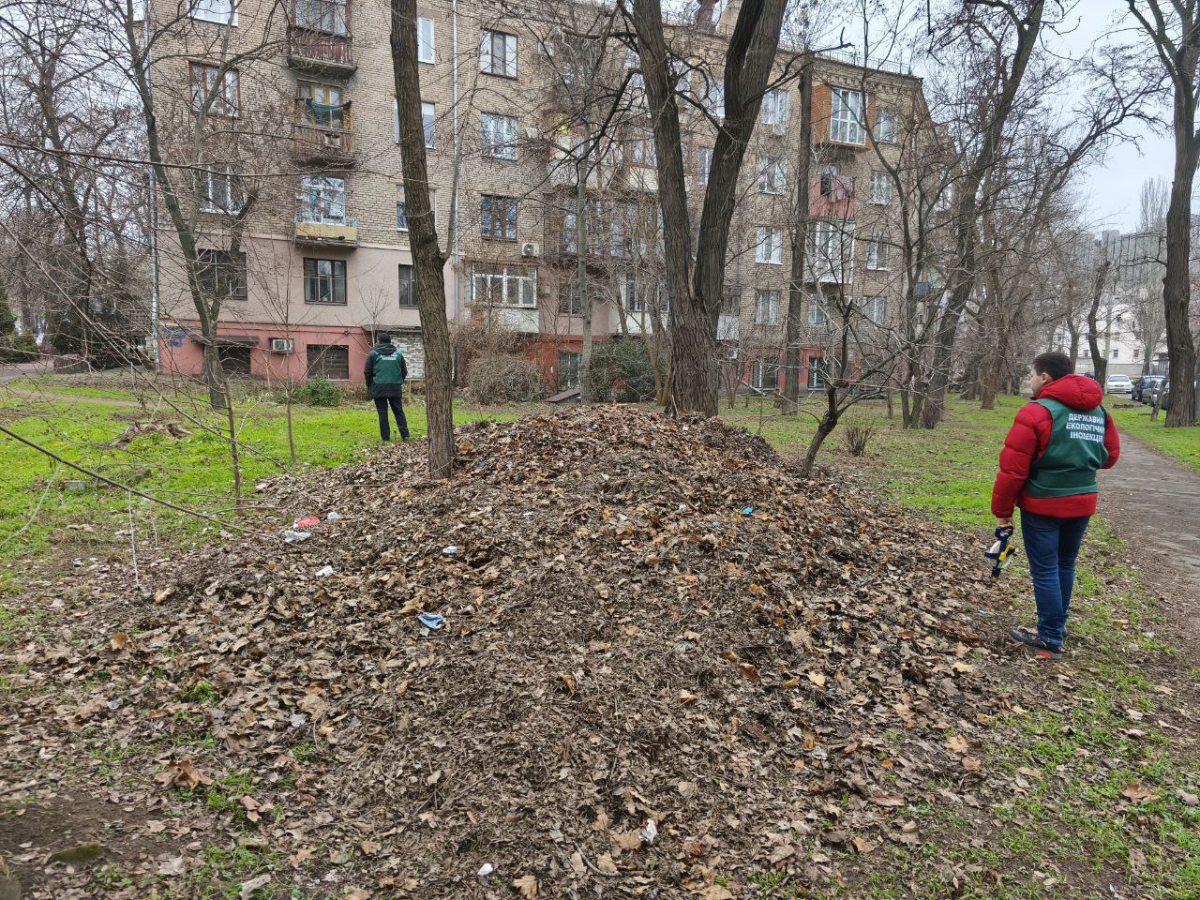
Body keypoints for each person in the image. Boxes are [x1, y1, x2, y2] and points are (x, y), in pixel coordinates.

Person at [991, 351, 1120, 660]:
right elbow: (1110, 457)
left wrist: (1003, 512)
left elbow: (1013, 471)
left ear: (1045, 377)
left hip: (1044, 504)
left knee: (1047, 569)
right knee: (1065, 564)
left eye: (1031, 375)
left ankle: (1050, 637)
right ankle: (1056, 628)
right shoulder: (1099, 412)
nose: (1030, 380)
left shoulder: (1036, 412)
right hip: (1083, 502)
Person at [364, 333, 409, 442]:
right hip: (395, 387)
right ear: (390, 342)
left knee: (383, 413)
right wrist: (398, 382)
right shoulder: (398, 353)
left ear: (379, 341)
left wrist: (371, 385)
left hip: (379, 387)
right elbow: (404, 371)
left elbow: (367, 372)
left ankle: (386, 438)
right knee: (399, 412)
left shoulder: (373, 354)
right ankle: (405, 436)